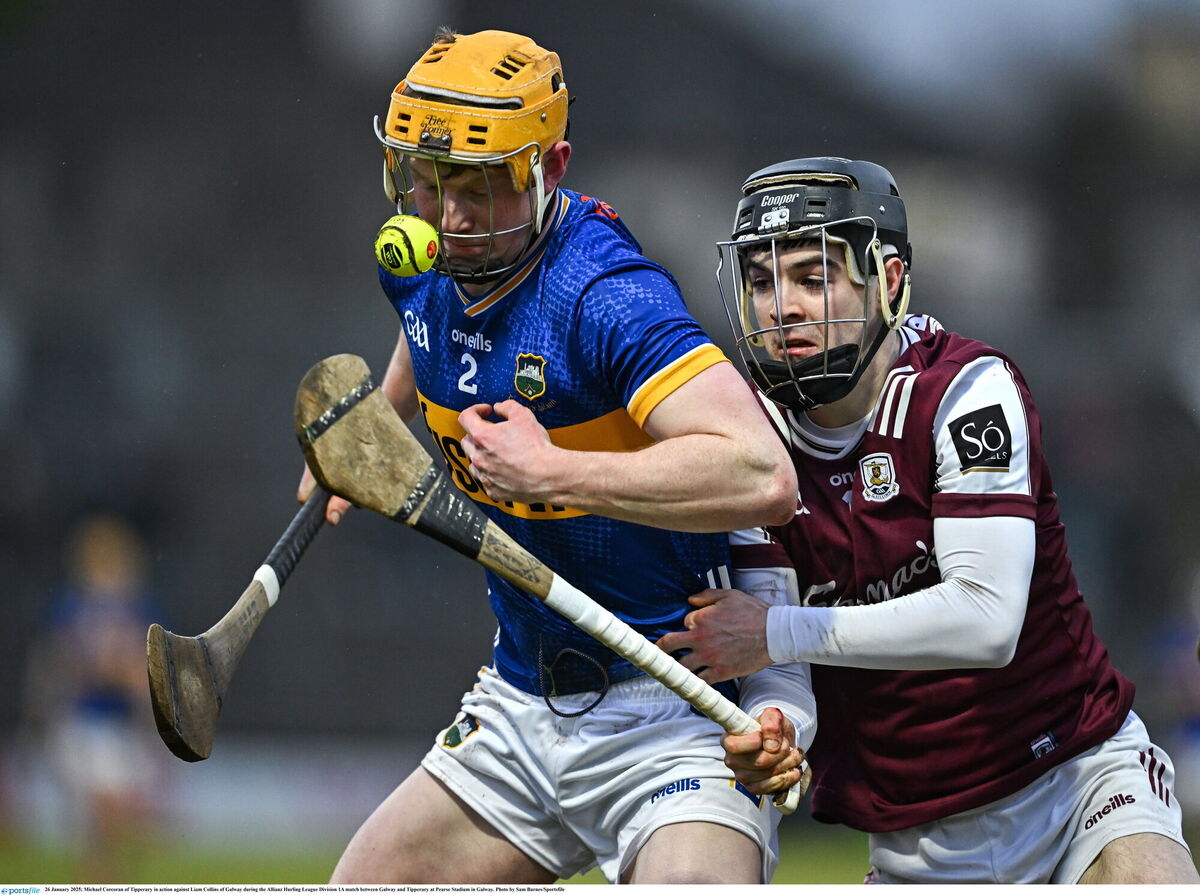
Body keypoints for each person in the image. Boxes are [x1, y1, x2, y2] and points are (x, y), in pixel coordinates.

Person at [297, 28, 798, 884]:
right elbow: (430, 333)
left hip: (668, 714)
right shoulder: (427, 255)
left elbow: (765, 475)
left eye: (482, 189)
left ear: (552, 166)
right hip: (519, 703)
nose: (450, 219)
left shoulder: (609, 298)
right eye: (427, 180)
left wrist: (554, 471)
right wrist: (371, 427)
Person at [657, 157, 1200, 884]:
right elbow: (779, 662)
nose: (781, 307)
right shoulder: (755, 445)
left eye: (813, 278)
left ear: (885, 281)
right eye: (761, 281)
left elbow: (986, 618)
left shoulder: (967, 391)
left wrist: (771, 635)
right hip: (916, 838)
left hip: (1077, 782)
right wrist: (782, 728)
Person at [23, 512, 163, 882]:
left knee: (122, 831)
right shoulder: (72, 607)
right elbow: (73, 667)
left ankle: (103, 877)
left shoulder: (139, 608)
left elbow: (141, 675)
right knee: (104, 819)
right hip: (84, 726)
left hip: (120, 729)